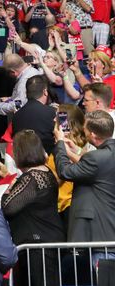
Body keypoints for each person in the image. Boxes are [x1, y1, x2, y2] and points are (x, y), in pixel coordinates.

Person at [0, 130, 65, 286]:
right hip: (45, 243)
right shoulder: (45, 173)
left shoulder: (31, 177)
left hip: (38, 246)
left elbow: (8, 206)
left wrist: (9, 187)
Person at [54, 110, 115, 267]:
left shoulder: (96, 158)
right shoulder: (103, 155)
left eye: (86, 130)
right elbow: (95, 168)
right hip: (108, 231)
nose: (84, 132)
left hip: (99, 236)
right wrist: (76, 150)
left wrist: (60, 143)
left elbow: (64, 171)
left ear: (94, 135)